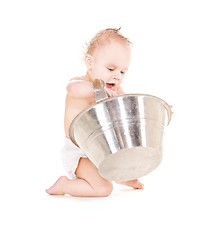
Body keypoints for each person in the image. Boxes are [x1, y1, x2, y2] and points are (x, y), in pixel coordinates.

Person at [46, 28, 144, 197]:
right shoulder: (81, 85)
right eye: (111, 68)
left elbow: (129, 107)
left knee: (126, 152)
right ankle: (65, 185)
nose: (117, 76)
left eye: (122, 71)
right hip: (80, 154)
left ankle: (123, 177)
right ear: (90, 63)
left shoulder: (116, 89)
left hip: (105, 149)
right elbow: (72, 88)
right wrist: (97, 89)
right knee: (103, 189)